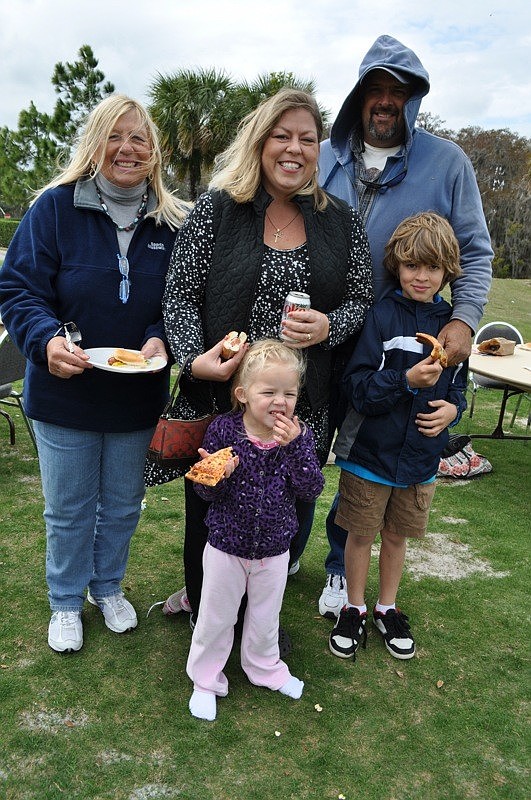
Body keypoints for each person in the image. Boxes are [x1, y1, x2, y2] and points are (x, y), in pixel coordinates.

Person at [162, 88, 374, 629]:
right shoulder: (218, 208)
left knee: (291, 505)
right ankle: (206, 608)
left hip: (301, 403)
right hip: (223, 397)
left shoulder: (340, 221)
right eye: (282, 136)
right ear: (260, 143)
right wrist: (193, 358)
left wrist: (329, 326)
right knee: (212, 501)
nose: (294, 149)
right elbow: (180, 293)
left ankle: (261, 612)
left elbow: (359, 299)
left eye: (307, 138)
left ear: (319, 150)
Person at [0, 94, 189, 653]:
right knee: (69, 506)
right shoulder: (55, 209)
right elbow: (18, 289)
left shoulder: (173, 221)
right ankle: (64, 601)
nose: (127, 149)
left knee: (124, 504)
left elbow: (180, 300)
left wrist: (163, 337)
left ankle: (107, 587)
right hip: (65, 393)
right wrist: (45, 340)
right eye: (115, 136)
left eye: (139, 139)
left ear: (154, 152)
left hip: (136, 396)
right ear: (94, 143)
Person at [317, 34, 493, 618]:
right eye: (376, 89)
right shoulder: (319, 156)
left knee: (369, 455)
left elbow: (475, 250)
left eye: (400, 91)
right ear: (358, 96)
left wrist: (463, 322)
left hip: (395, 343)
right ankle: (279, 547)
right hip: (316, 340)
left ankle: (344, 572)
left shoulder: (447, 164)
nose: (387, 102)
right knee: (296, 446)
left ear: (413, 101)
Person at [328, 212, 467, 661]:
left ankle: (387, 607)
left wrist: (454, 409)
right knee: (361, 535)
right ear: (396, 266)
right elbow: (358, 386)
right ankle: (353, 607)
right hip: (370, 454)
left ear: (448, 270)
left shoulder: (453, 327)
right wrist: (406, 380)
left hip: (419, 461)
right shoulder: (380, 316)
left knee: (396, 536)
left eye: (432, 267)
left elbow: (459, 385)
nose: (421, 276)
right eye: (412, 266)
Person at [187, 340, 324, 720]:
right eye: (269, 392)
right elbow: (202, 491)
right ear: (243, 394)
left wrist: (295, 447)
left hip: (275, 548)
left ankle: (265, 669)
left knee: (266, 618)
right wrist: (218, 476)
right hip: (225, 546)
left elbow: (311, 489)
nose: (281, 401)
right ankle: (205, 678)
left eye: (290, 393)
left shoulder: (300, 435)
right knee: (216, 617)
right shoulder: (223, 430)